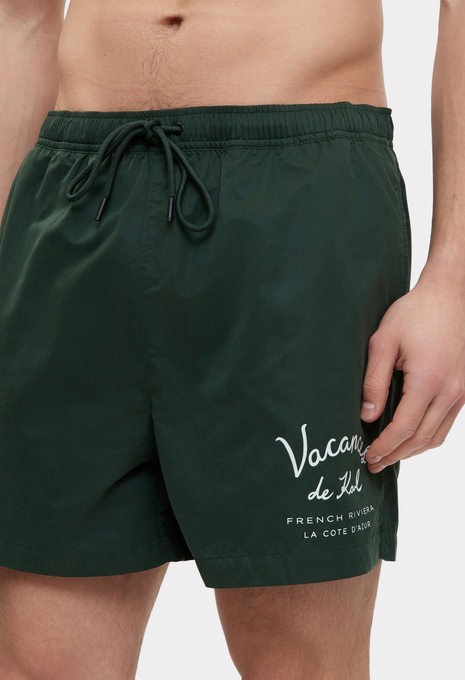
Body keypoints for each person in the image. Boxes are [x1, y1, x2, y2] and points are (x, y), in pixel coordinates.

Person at [0, 0, 464, 678]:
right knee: (42, 662)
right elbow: (21, 20)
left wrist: (453, 278)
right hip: (73, 195)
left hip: (297, 204)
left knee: (301, 663)